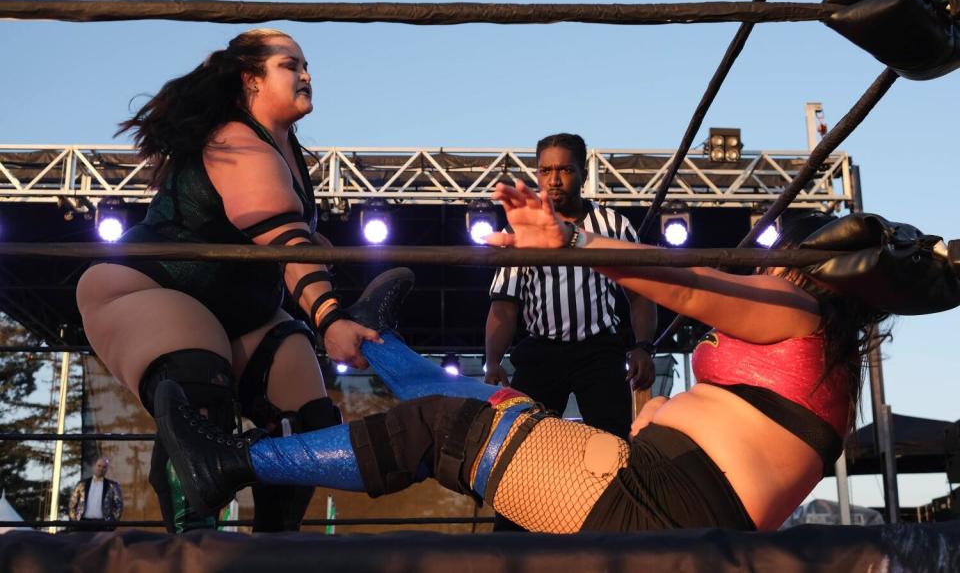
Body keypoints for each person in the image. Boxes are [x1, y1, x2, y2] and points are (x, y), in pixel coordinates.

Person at [154, 179, 899, 533]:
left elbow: (689, 282)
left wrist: (571, 245)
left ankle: (233, 464)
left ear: (804, 273)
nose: (759, 271)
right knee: (494, 406)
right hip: (654, 491)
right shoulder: (824, 355)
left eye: (774, 263)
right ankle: (381, 344)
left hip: (659, 510)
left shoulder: (798, 314)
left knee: (446, 431)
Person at [75, 29, 379, 533]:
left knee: (306, 420)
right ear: (250, 79)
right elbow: (283, 240)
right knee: (198, 382)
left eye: (307, 65)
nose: (307, 75)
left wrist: (320, 262)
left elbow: (284, 240)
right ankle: (193, 548)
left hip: (242, 310)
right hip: (149, 289)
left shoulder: (288, 151)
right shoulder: (235, 140)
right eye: (290, 65)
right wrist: (330, 320)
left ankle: (276, 548)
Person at [485, 133, 658, 441]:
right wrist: (493, 360)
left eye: (564, 170)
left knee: (613, 445)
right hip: (542, 351)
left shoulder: (614, 226)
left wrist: (644, 346)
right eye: (545, 170)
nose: (554, 180)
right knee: (524, 444)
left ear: (583, 174)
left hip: (599, 351)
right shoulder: (519, 230)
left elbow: (640, 293)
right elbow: (503, 305)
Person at [67, 457, 123, 530]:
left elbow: (119, 506)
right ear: (94, 466)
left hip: (103, 525)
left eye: (104, 467)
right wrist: (75, 522)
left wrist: (111, 524)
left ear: (107, 469)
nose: (101, 469)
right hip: (82, 524)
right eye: (99, 466)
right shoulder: (81, 484)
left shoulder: (112, 486)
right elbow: (72, 503)